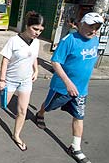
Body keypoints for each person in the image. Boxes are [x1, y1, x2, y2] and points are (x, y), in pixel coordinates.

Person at [35, 12, 104, 163]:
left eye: (97, 27)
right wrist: (68, 82)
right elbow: (55, 62)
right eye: (91, 26)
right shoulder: (69, 40)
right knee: (48, 106)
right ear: (81, 23)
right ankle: (40, 114)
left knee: (79, 116)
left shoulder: (95, 40)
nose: (94, 30)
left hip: (81, 90)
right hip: (61, 88)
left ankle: (76, 147)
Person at [0, 11, 45, 151]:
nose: (37, 33)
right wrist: (2, 79)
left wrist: (36, 70)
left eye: (40, 30)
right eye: (35, 29)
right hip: (10, 80)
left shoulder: (36, 42)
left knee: (22, 110)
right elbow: (5, 60)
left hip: (26, 81)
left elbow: (34, 57)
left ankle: (16, 135)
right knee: (3, 104)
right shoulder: (14, 41)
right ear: (27, 26)